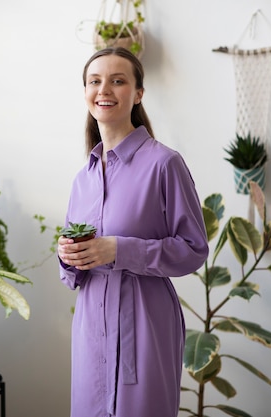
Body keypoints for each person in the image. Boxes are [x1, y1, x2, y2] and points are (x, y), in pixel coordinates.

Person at [57, 47, 209, 417]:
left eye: (117, 80)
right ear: (86, 92)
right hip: (92, 324)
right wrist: (70, 258)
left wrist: (119, 250)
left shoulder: (164, 164)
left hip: (145, 322)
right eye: (95, 81)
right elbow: (71, 273)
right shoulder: (84, 178)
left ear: (138, 93)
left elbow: (194, 248)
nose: (104, 89)